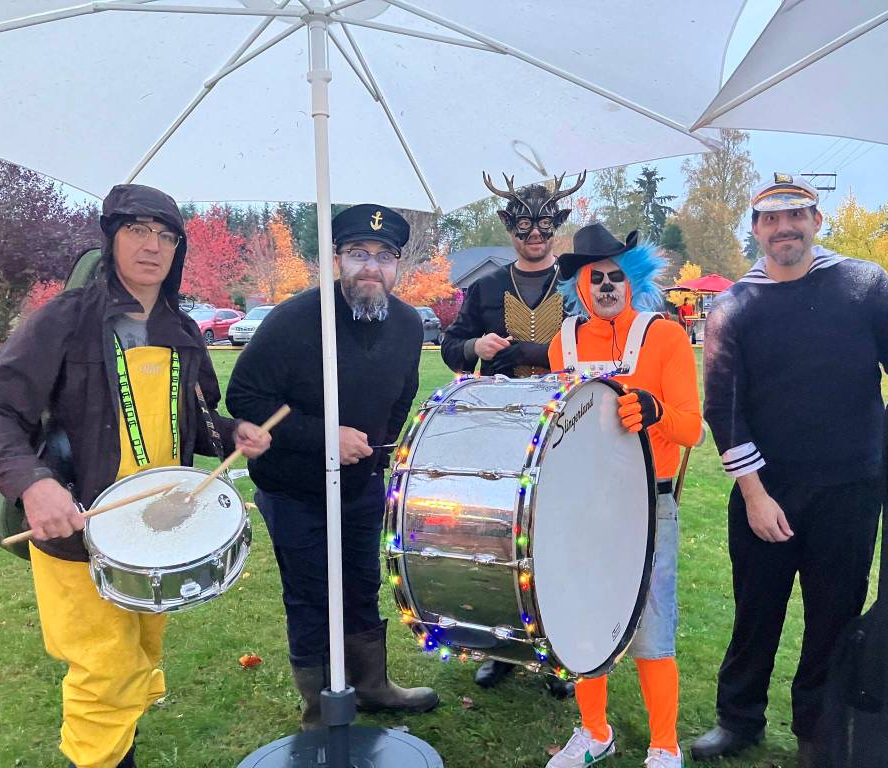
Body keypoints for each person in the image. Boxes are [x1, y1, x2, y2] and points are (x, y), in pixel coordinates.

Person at [0, 184, 272, 768]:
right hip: (77, 528)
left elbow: (184, 417)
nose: (152, 247)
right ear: (111, 239)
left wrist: (230, 431)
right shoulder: (64, 320)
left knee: (139, 651)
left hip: (156, 528)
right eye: (138, 231)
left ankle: (123, 747)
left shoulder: (182, 331)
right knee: (103, 667)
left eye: (166, 236)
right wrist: (34, 484)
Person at [692, 174, 888, 766]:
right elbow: (723, 409)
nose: (785, 229)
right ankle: (739, 719)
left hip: (851, 486)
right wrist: (755, 495)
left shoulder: (864, 285)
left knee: (835, 615)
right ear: (756, 229)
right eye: (771, 220)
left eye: (797, 216)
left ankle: (818, 728)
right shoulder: (734, 306)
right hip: (767, 487)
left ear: (816, 220)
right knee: (756, 610)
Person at [226, 203, 439, 730]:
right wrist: (326, 438)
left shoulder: (409, 324)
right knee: (310, 595)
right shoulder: (296, 319)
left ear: (398, 266)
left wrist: (378, 450)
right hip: (293, 490)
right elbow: (244, 397)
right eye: (358, 254)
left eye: (384, 256)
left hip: (361, 489)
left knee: (361, 586)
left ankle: (371, 685)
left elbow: (403, 393)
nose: (372, 267)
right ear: (336, 260)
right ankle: (321, 709)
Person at [544, 223, 702, 768]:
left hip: (649, 504)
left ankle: (665, 745)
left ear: (631, 280)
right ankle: (593, 732)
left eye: (615, 276)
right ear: (580, 287)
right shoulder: (560, 345)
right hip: (583, 504)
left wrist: (657, 412)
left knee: (653, 625)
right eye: (596, 278)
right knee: (584, 616)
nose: (607, 286)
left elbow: (693, 429)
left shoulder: (665, 336)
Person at [440, 171, 585, 696]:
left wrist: (537, 355)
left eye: (544, 226)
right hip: (500, 429)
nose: (534, 236)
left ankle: (560, 652)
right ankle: (500, 647)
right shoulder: (484, 287)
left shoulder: (575, 286)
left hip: (565, 427)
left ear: (557, 228)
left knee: (558, 537)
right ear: (509, 230)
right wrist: (474, 347)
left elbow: (591, 348)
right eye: (524, 227)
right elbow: (450, 346)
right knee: (498, 537)